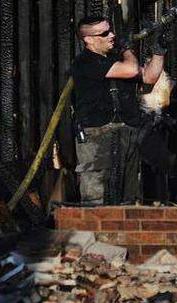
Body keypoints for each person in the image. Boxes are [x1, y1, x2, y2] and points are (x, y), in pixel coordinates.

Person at [70, 16, 166, 204]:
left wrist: (158, 50)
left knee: (130, 195)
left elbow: (149, 77)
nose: (112, 35)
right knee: (97, 196)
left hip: (128, 132)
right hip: (98, 136)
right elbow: (131, 70)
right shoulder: (85, 62)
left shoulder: (117, 60)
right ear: (88, 39)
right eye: (105, 33)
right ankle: (95, 233)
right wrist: (127, 48)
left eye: (111, 30)